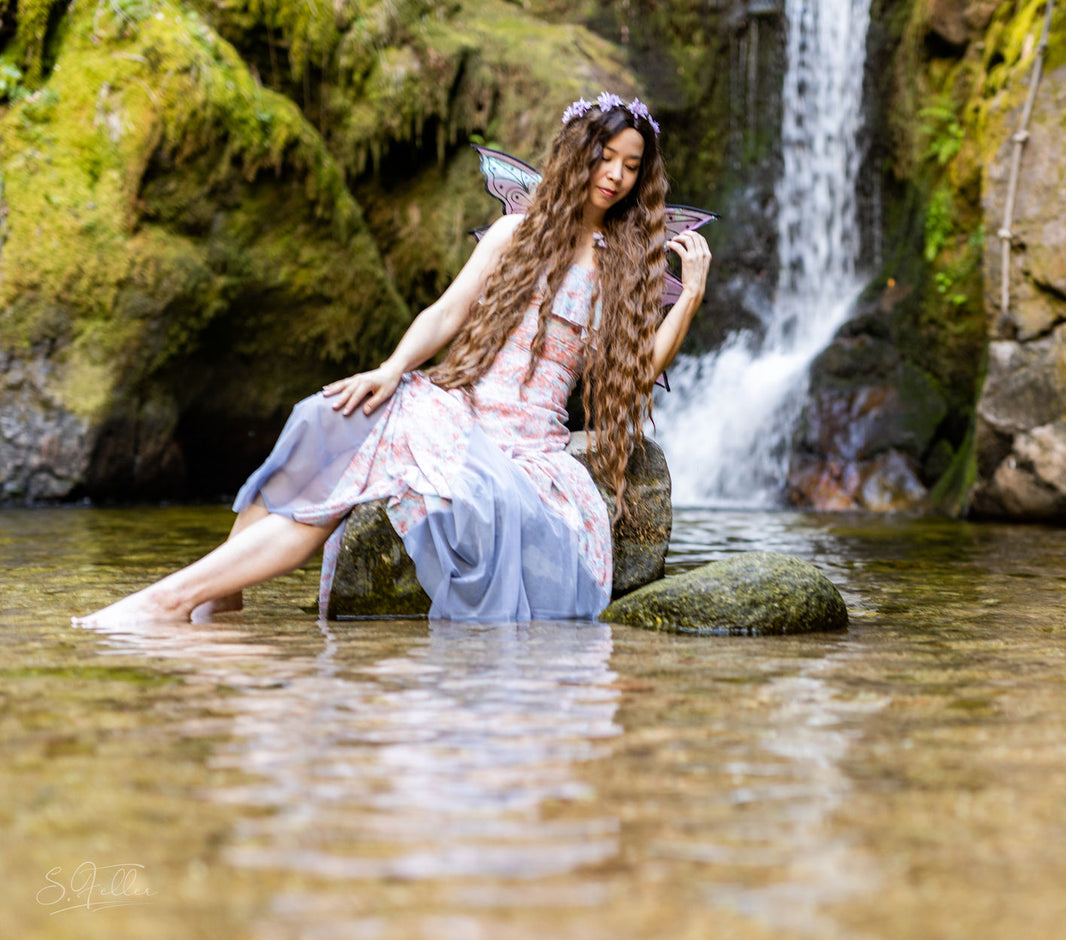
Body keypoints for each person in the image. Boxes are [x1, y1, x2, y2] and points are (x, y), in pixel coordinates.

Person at [75, 92, 711, 628]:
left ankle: (174, 598)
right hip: (458, 410)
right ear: (578, 153)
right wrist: (390, 369)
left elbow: (634, 376)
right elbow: (445, 314)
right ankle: (217, 590)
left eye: (631, 166)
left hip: (524, 449)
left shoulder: (616, 269)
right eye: (605, 156)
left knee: (340, 477)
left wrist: (689, 300)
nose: (615, 174)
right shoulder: (514, 233)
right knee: (323, 415)